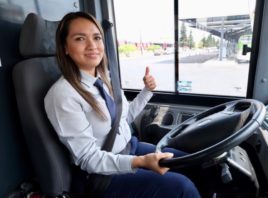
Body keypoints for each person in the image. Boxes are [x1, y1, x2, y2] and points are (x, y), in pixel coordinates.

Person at [44, 11, 201, 197]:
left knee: (190, 163)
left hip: (129, 147)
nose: (92, 46)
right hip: (101, 175)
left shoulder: (105, 78)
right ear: (65, 48)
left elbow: (123, 120)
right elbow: (88, 158)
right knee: (182, 187)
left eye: (97, 37)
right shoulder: (63, 95)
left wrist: (146, 91)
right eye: (80, 38)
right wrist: (139, 162)